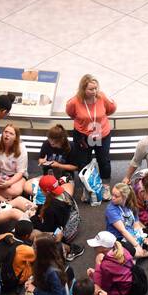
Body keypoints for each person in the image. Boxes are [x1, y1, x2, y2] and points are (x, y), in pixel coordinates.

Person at [65, 73, 116, 201]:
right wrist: (84, 121)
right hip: (83, 136)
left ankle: (105, 186)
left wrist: (98, 118)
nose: (94, 91)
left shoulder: (101, 97)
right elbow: (71, 113)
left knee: (103, 161)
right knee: (83, 162)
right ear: (83, 89)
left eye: (95, 88)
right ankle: (86, 187)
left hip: (101, 134)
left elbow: (111, 109)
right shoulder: (74, 101)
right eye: (91, 89)